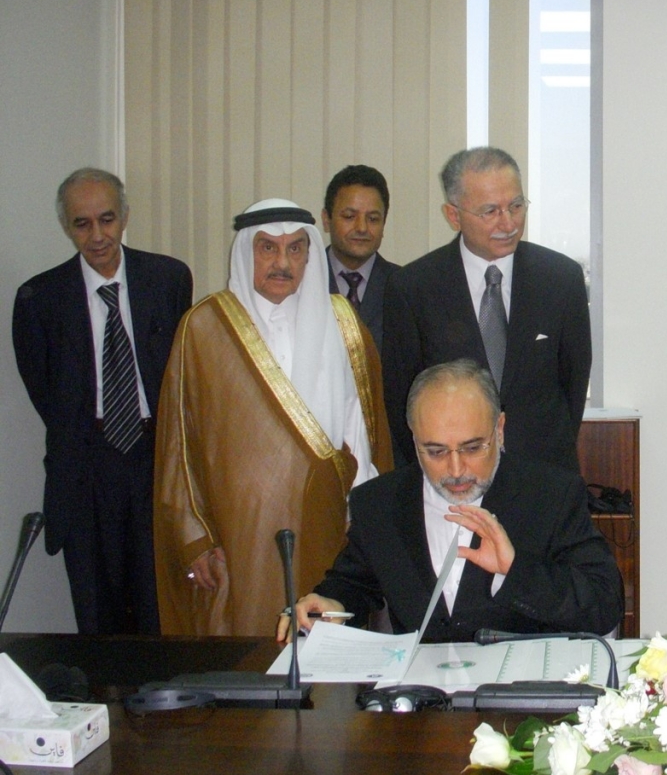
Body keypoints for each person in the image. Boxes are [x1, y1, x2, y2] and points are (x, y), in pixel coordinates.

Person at [153, 199, 394, 636]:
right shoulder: (204, 327)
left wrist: (369, 524)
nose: (283, 262)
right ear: (246, 252)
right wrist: (197, 538)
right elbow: (178, 444)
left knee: (328, 649)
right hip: (238, 533)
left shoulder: (342, 323)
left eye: (296, 249)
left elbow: (363, 431)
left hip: (329, 526)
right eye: (268, 248)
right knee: (249, 651)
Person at [283, 358, 622, 642]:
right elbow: (353, 583)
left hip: (516, 705)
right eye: (436, 451)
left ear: (499, 429)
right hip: (416, 708)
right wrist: (329, 604)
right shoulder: (378, 503)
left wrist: (514, 570)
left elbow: (604, 605)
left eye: (473, 448)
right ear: (414, 439)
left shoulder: (550, 495)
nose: (456, 469)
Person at [12, 168, 192, 635]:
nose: (97, 236)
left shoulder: (168, 279)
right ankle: (101, 708)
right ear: (67, 226)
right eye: (82, 224)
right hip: (85, 468)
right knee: (96, 616)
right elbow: (45, 393)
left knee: (158, 608)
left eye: (107, 220)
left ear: (125, 216)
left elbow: (183, 376)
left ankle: (159, 705)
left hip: (154, 460)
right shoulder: (39, 299)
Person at [381, 147, 591, 472]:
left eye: (516, 206)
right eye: (490, 211)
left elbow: (573, 384)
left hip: (542, 475)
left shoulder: (561, 279)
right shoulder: (413, 288)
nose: (508, 223)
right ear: (454, 215)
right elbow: (400, 400)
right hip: (452, 477)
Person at [323, 164, 399, 352]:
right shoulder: (300, 280)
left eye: (373, 219)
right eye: (349, 216)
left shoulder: (404, 286)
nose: (362, 228)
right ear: (327, 219)